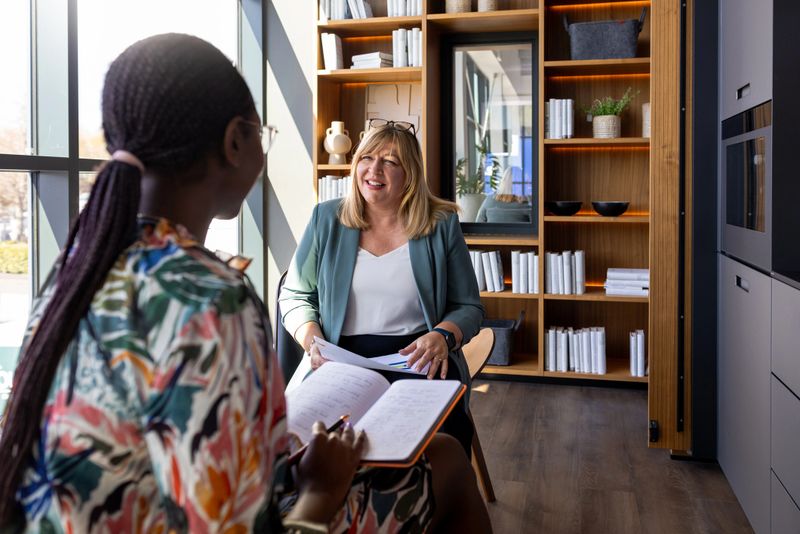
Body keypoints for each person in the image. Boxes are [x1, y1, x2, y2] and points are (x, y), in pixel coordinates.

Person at [0, 34, 491, 533]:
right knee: (447, 463)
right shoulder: (214, 298)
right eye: (265, 133)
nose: (375, 170)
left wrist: (291, 471)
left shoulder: (78, 265)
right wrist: (321, 488)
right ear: (236, 140)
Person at [279, 119, 484, 455]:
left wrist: (443, 336)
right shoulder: (325, 218)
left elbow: (469, 307)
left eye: (390, 161)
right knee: (303, 440)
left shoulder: (441, 224)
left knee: (436, 441)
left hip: (417, 361)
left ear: (410, 175)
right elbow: (295, 295)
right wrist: (312, 339)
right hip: (339, 362)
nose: (374, 170)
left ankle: (420, 504)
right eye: (366, 158)